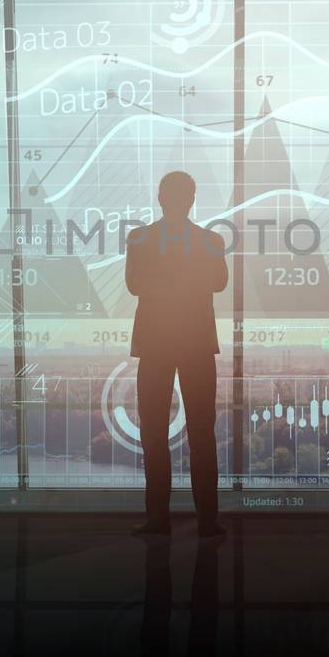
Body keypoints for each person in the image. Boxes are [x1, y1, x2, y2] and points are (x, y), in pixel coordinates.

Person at [124, 171, 228, 538]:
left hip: (188, 344)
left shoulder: (208, 240)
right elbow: (136, 284)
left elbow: (217, 281)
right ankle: (163, 518)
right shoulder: (144, 238)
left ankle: (201, 520)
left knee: (199, 432)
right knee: (156, 432)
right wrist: (185, 277)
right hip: (163, 344)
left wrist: (165, 280)